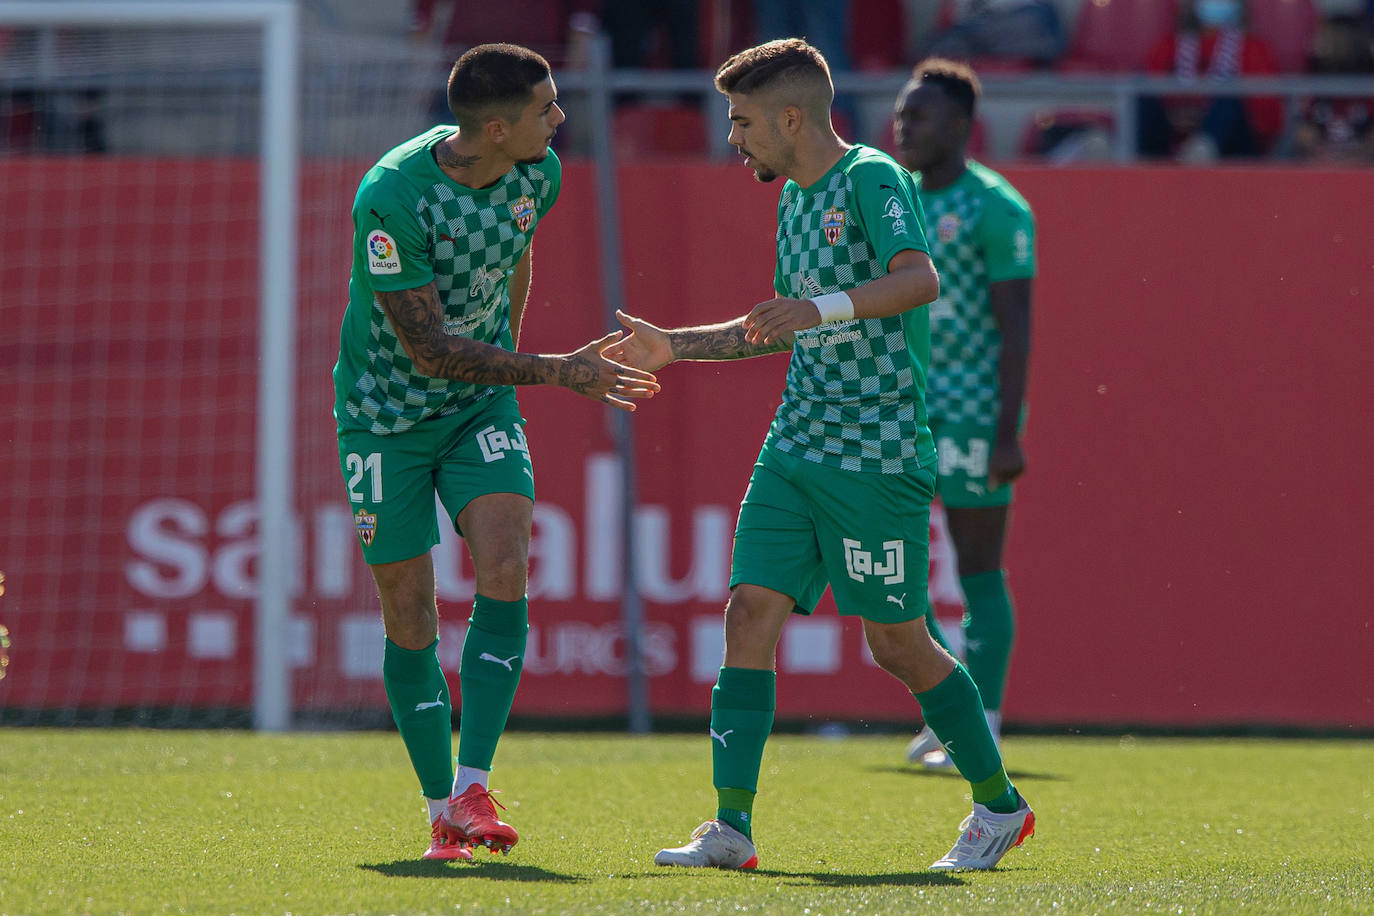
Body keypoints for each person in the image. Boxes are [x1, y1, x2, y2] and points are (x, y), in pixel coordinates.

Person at [608, 38, 1034, 872]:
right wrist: (675, 346)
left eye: (743, 121)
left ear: (792, 118)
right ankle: (731, 828)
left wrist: (820, 307)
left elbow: (920, 280)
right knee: (747, 613)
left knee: (897, 644)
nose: (733, 138)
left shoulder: (873, 177)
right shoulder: (794, 201)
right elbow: (781, 326)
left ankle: (999, 806)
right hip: (796, 443)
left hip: (877, 453)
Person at [333, 43, 658, 863]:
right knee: (410, 611)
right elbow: (431, 349)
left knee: (507, 561)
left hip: (478, 403)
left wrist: (509, 361)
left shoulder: (537, 173)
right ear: (497, 127)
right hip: (384, 419)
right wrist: (555, 370)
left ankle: (474, 785)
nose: (560, 118)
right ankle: (440, 808)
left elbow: (516, 257)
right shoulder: (392, 197)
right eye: (546, 107)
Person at [891, 59, 1035, 770]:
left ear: (958, 125)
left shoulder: (996, 208)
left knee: (978, 569)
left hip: (975, 413)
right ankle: (949, 713)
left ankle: (986, 722)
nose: (902, 127)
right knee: (897, 575)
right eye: (900, 114)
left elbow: (1017, 328)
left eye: (918, 116)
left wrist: (1007, 432)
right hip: (905, 412)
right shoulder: (896, 202)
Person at [1137, 0, 1282, 162]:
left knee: (1229, 96)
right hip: (1171, 137)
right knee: (1143, 92)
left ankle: (1202, 151)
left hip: (1232, 145)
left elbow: (1267, 115)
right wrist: (1179, 115)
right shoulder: (1167, 47)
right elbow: (1152, 93)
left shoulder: (1254, 49)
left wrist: (1210, 117)